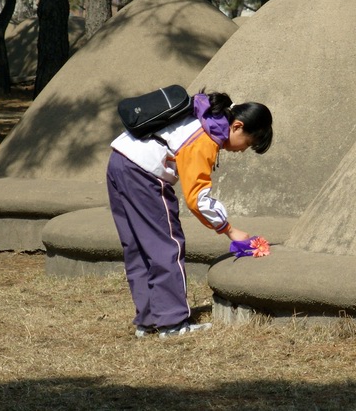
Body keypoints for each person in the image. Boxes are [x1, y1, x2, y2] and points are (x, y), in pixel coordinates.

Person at [106, 88, 273, 339]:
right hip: (144, 175)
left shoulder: (203, 116)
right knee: (167, 246)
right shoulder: (205, 137)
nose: (242, 151)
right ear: (237, 126)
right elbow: (197, 199)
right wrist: (229, 230)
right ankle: (172, 323)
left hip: (119, 162)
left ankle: (149, 319)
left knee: (137, 246)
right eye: (248, 144)